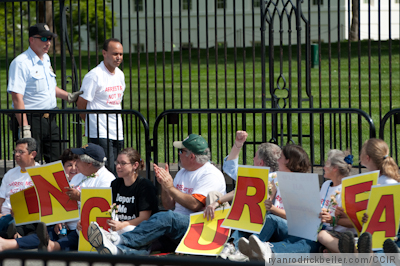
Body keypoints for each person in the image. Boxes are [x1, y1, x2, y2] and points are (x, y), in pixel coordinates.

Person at [87, 134, 226, 255]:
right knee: (151, 242)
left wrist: (170, 187)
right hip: (179, 225)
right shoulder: (182, 172)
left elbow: (195, 205)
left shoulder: (210, 174)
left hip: (197, 225)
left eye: (181, 151)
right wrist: (164, 187)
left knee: (167, 217)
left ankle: (120, 239)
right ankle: (118, 250)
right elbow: (169, 204)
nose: (179, 154)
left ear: (192, 156)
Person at [238, 150, 356, 261]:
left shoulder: (347, 190)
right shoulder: (326, 185)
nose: (323, 167)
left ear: (335, 168)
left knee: (307, 241)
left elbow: (354, 222)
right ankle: (254, 248)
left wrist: (332, 220)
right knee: (282, 228)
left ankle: (270, 251)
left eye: (327, 164)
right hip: (313, 227)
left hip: (331, 234)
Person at [0, 143, 115, 251]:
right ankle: (9, 242)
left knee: (73, 237)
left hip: (84, 226)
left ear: (88, 163)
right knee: (46, 232)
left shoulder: (106, 179)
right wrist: (60, 220)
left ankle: (49, 246)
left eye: (78, 160)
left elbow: (102, 206)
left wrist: (80, 197)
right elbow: (64, 201)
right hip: (66, 223)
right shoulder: (78, 177)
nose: (76, 162)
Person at [7, 23, 82, 163]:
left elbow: (49, 88)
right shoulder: (21, 63)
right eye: (43, 39)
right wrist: (24, 127)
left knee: (58, 160)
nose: (47, 42)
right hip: (31, 119)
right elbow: (17, 97)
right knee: (30, 164)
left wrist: (69, 96)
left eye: (49, 39)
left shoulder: (45, 59)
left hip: (50, 118)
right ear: (31, 40)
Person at [203, 130, 281, 260]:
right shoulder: (254, 174)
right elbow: (231, 170)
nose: (253, 159)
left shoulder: (273, 178)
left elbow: (232, 172)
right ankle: (218, 242)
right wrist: (238, 144)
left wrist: (238, 145)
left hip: (259, 221)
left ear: (260, 162)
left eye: (255, 156)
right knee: (213, 195)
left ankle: (231, 245)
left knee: (220, 201)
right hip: (243, 217)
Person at [227, 143, 311, 261]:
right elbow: (246, 187)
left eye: (281, 157)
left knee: (272, 219)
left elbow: (297, 218)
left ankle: (247, 250)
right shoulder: (276, 177)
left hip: (292, 227)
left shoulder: (303, 184)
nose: (277, 159)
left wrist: (272, 209)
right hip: (275, 221)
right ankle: (233, 246)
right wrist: (218, 201)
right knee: (252, 212)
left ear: (288, 161)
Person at [337, 138, 400, 253]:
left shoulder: (379, 183)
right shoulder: (392, 181)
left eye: (361, 152)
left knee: (373, 248)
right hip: (384, 234)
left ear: (367, 158)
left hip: (385, 234)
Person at [76, 38, 125, 174]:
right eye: (115, 54)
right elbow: (81, 103)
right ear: (104, 53)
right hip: (100, 131)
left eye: (120, 54)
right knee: (106, 170)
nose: (118, 57)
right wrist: (89, 122)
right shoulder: (94, 76)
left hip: (117, 130)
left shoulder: (120, 75)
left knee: (119, 168)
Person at [0, 138, 40, 235]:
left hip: (26, 217)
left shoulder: (40, 173)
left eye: (21, 152)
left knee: (14, 224)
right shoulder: (9, 174)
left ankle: (13, 233)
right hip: (5, 215)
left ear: (33, 154)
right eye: (16, 151)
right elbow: (1, 200)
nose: (16, 154)